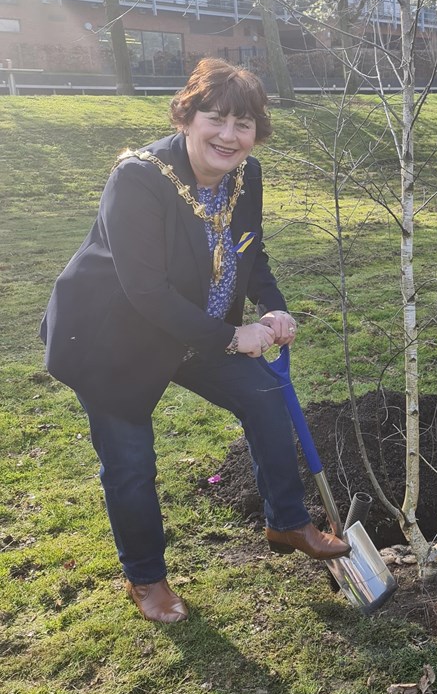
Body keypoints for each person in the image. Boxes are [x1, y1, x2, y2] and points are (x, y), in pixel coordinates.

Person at [41, 58, 349, 625]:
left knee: (265, 397)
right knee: (131, 463)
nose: (229, 136)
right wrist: (234, 336)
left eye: (245, 124)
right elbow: (145, 290)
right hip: (115, 341)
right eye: (217, 118)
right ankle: (146, 577)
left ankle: (286, 520)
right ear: (187, 117)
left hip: (198, 329)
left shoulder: (245, 175)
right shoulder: (137, 178)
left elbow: (249, 251)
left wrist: (271, 306)